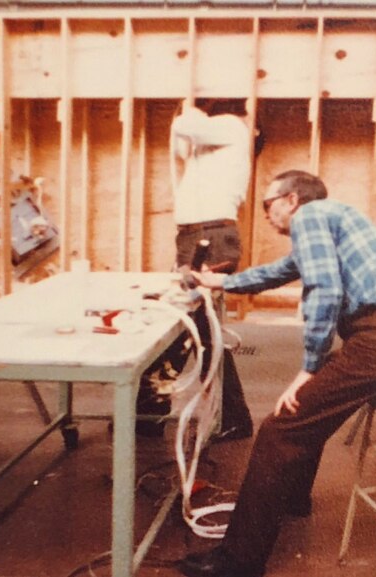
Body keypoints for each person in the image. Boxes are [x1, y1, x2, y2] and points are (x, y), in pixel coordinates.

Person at [177, 170, 376, 577]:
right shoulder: (334, 220)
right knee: (307, 415)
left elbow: (324, 290)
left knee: (281, 427)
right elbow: (277, 272)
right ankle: (293, 499)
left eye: (267, 205)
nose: (267, 215)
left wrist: (309, 366)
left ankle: (237, 563)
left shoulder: (310, 218)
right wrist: (218, 281)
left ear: (291, 200)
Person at [135, 99, 254, 442]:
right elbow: (179, 141)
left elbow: (185, 126)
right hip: (195, 235)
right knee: (188, 326)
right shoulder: (210, 147)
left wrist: (189, 108)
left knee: (201, 329)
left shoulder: (232, 126)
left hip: (210, 235)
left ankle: (228, 416)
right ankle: (150, 410)